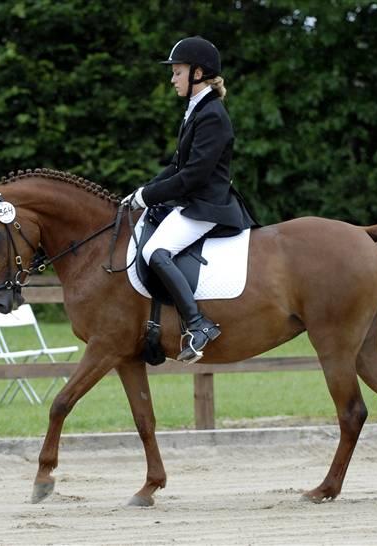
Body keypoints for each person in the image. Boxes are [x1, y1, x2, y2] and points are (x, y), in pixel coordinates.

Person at [122, 36, 256, 364]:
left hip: (207, 205)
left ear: (198, 73)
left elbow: (193, 176)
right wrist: (142, 192)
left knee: (155, 250)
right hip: (192, 202)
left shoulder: (212, 115)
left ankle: (198, 324)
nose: (172, 79)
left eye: (177, 72)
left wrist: (148, 196)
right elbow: (176, 166)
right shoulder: (196, 110)